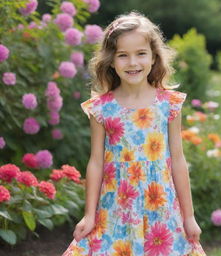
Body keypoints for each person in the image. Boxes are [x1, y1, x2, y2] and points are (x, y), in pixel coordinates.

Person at [62, 11, 207, 256]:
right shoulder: (101, 108)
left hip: (160, 209)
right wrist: (89, 215)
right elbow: (96, 162)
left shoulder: (168, 104)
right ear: (111, 60)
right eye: (123, 55)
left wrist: (189, 216)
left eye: (141, 53)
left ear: (153, 57)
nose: (132, 63)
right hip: (116, 210)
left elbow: (178, 160)